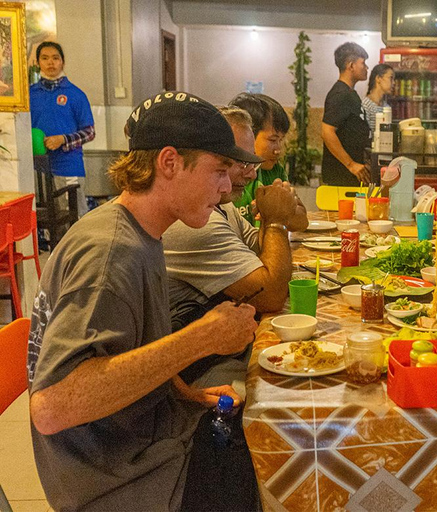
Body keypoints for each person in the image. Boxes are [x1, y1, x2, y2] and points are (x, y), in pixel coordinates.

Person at [26, 92, 264, 511]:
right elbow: (51, 407)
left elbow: (124, 349)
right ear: (169, 162)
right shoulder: (112, 253)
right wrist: (200, 339)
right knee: (270, 472)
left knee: (256, 432)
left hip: (141, 441)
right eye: (219, 171)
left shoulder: (141, 229)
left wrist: (183, 393)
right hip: (117, 479)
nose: (228, 188)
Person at [163, 105, 295, 345]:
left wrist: (270, 213)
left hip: (212, 349)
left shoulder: (220, 206)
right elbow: (272, 296)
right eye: (237, 163)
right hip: (203, 366)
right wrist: (275, 221)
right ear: (172, 163)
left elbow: (259, 252)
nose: (253, 175)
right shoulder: (197, 223)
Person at [29, 41, 95, 217]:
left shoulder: (76, 94)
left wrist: (63, 139)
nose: (50, 63)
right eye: (45, 58)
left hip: (68, 167)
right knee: (45, 220)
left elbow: (90, 132)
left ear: (62, 62)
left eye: (55, 58)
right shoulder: (29, 95)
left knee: (74, 218)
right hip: (36, 169)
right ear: (37, 63)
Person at [228, 92, 309, 231]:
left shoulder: (274, 170)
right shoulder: (229, 175)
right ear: (247, 135)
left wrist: (276, 214)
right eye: (272, 140)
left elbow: (301, 222)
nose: (279, 149)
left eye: (281, 140)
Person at [321, 42, 371, 185]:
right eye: (363, 63)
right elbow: (327, 132)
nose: (367, 68)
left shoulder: (350, 93)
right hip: (340, 176)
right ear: (351, 65)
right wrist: (351, 164)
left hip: (351, 176)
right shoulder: (340, 94)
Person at [362, 63, 394, 133]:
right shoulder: (365, 106)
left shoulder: (386, 107)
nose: (393, 83)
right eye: (390, 78)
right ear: (378, 78)